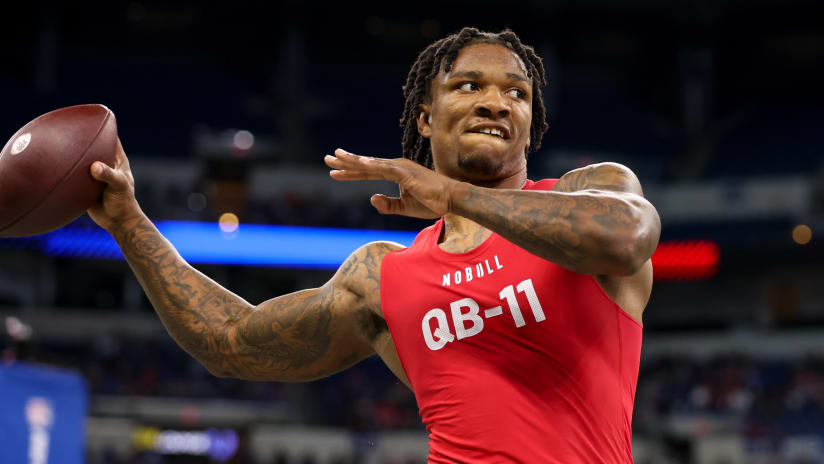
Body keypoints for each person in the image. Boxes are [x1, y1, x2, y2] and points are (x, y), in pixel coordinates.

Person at [88, 27, 660, 464]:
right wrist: (128, 223)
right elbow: (230, 342)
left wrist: (452, 194)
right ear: (426, 118)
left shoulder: (592, 191)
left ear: (530, 124)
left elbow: (626, 238)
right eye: (470, 86)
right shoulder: (385, 276)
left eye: (517, 92)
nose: (497, 101)